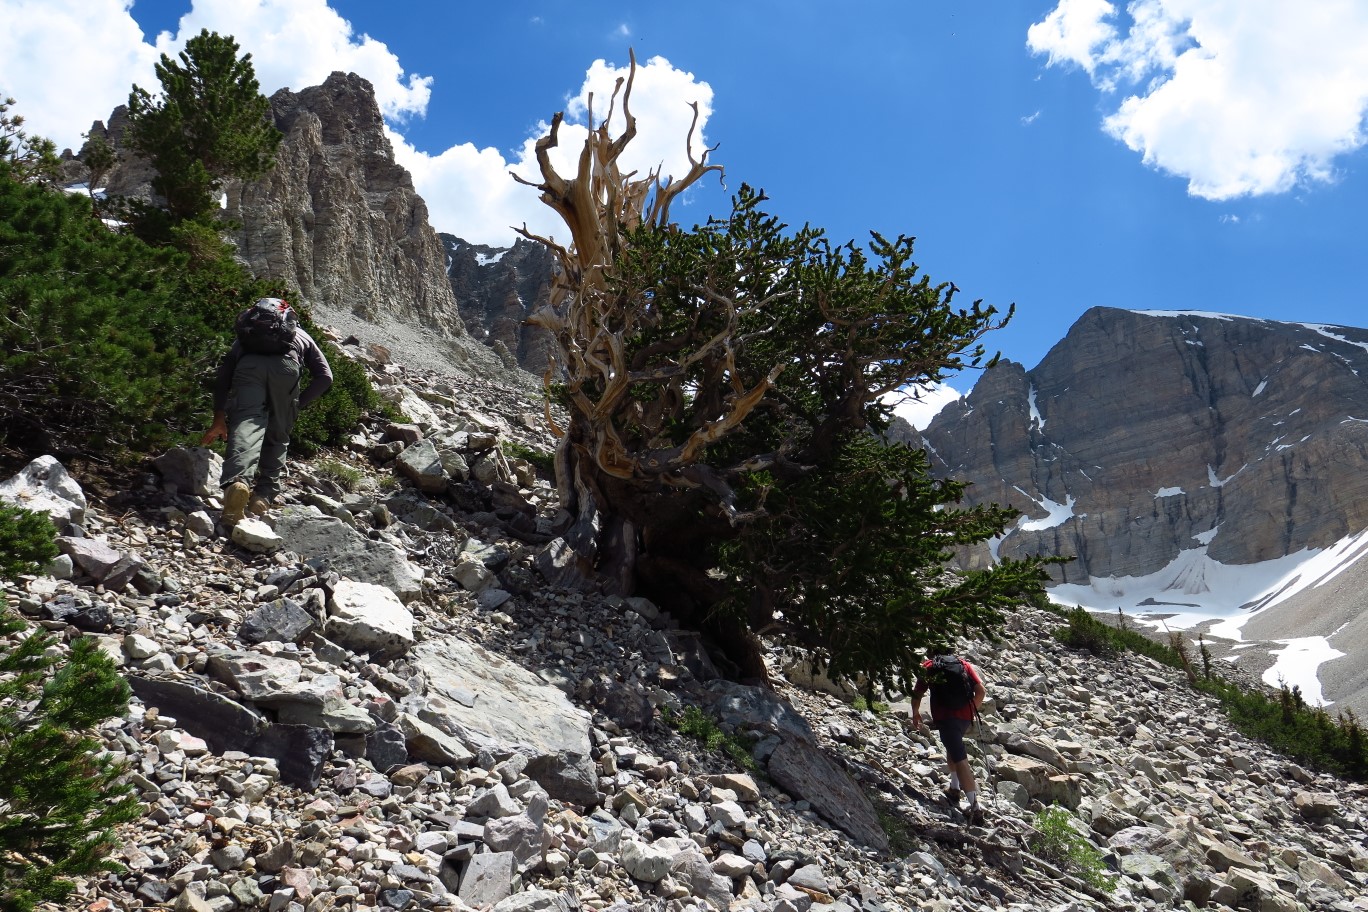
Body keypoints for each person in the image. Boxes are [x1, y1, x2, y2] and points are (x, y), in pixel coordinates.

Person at [201, 298, 333, 527]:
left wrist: (219, 417)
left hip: (249, 368)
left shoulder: (247, 336)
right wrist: (297, 404)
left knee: (246, 423)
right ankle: (263, 496)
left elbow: (223, 376)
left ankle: (237, 483)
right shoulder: (302, 336)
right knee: (278, 436)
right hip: (286, 370)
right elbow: (325, 377)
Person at [911, 653, 987, 823]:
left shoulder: (929, 667)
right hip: (964, 718)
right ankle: (954, 788)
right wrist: (971, 710)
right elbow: (981, 690)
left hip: (945, 717)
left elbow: (917, 693)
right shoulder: (963, 665)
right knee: (953, 747)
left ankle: (975, 808)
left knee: (961, 758)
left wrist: (915, 713)